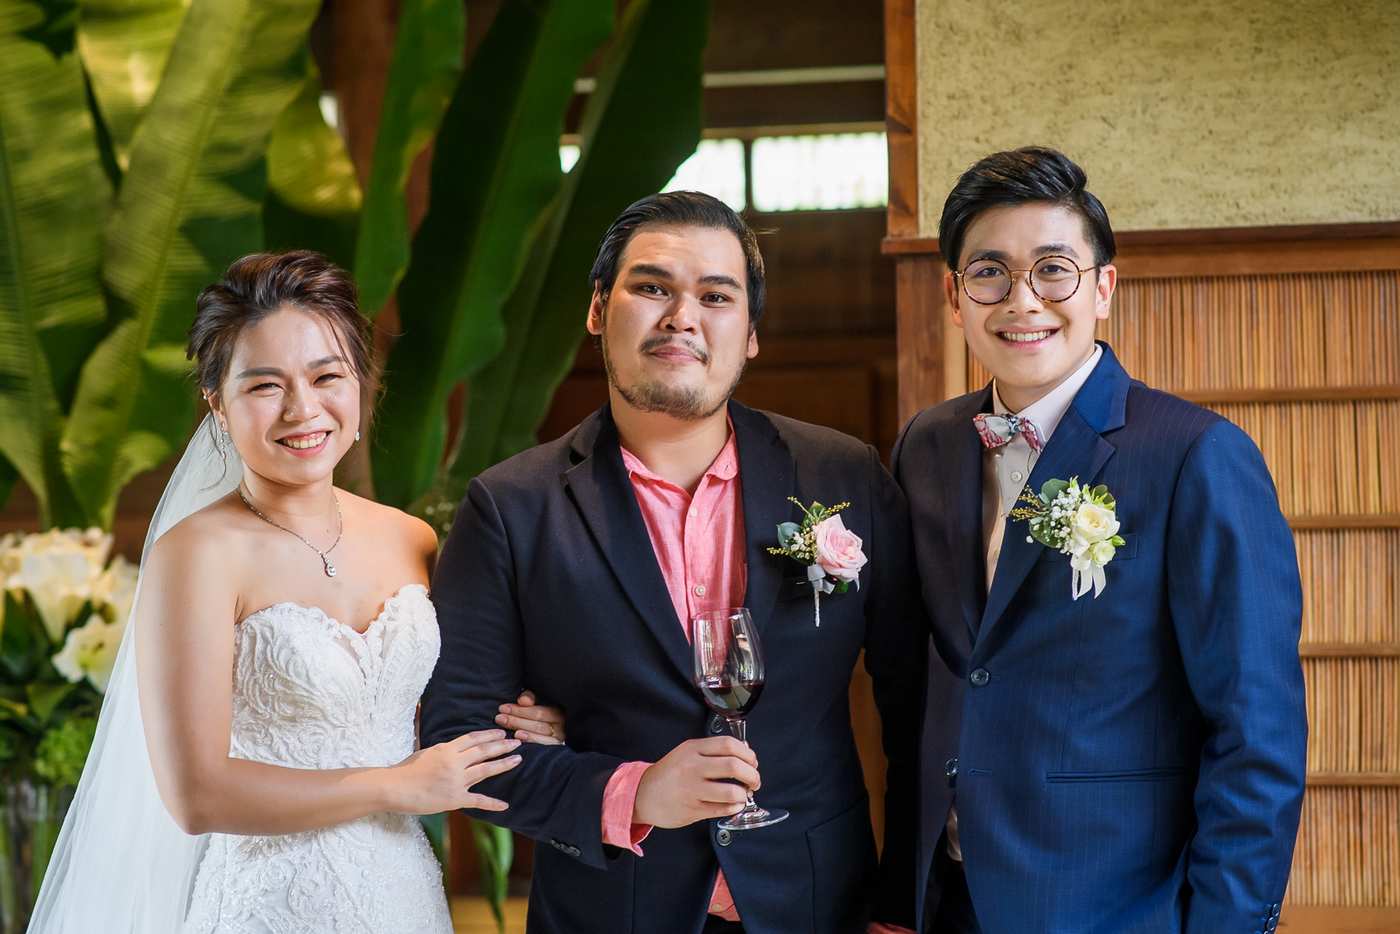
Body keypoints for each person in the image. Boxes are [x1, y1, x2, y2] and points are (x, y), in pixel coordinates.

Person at [420, 191, 927, 934]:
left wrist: (903, 909)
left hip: (821, 903)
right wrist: (632, 792)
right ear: (599, 310)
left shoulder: (843, 476)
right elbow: (460, 739)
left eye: (715, 297)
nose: (682, 316)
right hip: (610, 911)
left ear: (751, 334)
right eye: (652, 287)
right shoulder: (510, 507)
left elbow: (916, 707)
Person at [29, 251, 563, 933]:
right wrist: (396, 786)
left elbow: (437, 717)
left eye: (326, 376)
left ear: (360, 385)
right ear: (217, 404)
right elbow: (197, 794)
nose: (302, 408)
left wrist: (525, 725)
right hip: (268, 906)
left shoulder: (410, 539)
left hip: (403, 897)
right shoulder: (195, 556)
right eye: (265, 385)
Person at [887, 148, 1308, 933]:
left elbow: (1257, 731)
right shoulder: (927, 444)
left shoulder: (1195, 456)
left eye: (1054, 270)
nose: (1023, 301)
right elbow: (928, 679)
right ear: (954, 295)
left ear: (1103, 288)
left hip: (1117, 907)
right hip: (949, 898)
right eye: (989, 273)